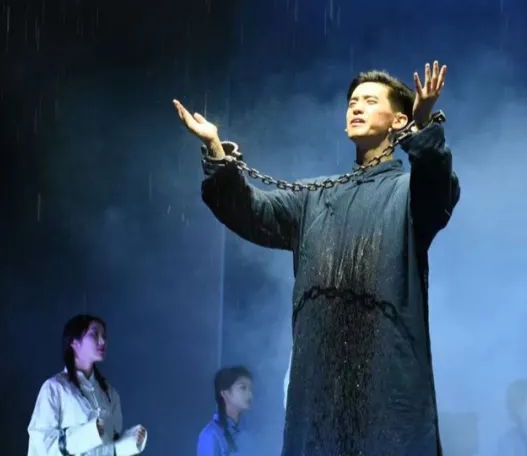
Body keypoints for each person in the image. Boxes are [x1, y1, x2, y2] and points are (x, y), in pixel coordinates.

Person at [173, 61, 460, 455]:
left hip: (386, 383)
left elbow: (435, 185)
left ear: (398, 120)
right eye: (352, 102)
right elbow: (249, 211)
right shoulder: (314, 197)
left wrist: (423, 124)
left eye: (370, 101)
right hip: (319, 389)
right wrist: (215, 147)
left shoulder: (407, 194)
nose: (356, 107)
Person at [26, 314, 148, 456]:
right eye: (94, 334)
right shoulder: (55, 388)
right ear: (74, 342)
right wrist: (88, 434)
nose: (102, 341)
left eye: (104, 336)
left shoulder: (109, 393)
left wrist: (126, 444)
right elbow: (41, 446)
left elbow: (110, 447)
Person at [197, 367, 256, 456]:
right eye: (243, 388)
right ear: (225, 393)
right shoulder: (210, 435)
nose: (250, 394)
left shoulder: (247, 431)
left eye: (250, 389)